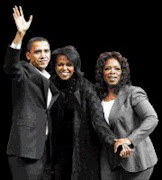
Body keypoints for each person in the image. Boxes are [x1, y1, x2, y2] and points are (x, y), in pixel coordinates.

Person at [47, 45, 120, 180]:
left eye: (69, 64)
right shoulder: (48, 85)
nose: (64, 69)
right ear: (55, 66)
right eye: (60, 65)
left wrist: (113, 141)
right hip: (56, 150)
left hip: (81, 149)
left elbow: (98, 120)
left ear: (75, 66)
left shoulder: (87, 88)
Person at [4, 6, 52, 180]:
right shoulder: (23, 71)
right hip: (26, 148)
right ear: (28, 56)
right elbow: (11, 66)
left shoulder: (50, 79)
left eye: (46, 51)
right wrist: (20, 35)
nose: (43, 55)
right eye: (38, 51)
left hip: (46, 149)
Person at [95, 51, 158, 180]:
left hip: (137, 159)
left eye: (117, 68)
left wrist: (130, 140)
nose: (112, 71)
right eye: (107, 68)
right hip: (109, 159)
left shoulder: (133, 93)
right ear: (102, 72)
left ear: (122, 73)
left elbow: (151, 118)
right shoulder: (97, 98)